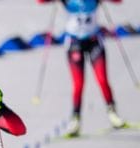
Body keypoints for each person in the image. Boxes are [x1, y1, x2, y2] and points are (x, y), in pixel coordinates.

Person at [38, 0, 126, 137]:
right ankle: (75, 120)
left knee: (102, 79)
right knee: (78, 84)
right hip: (74, 43)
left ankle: (113, 114)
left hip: (94, 41)